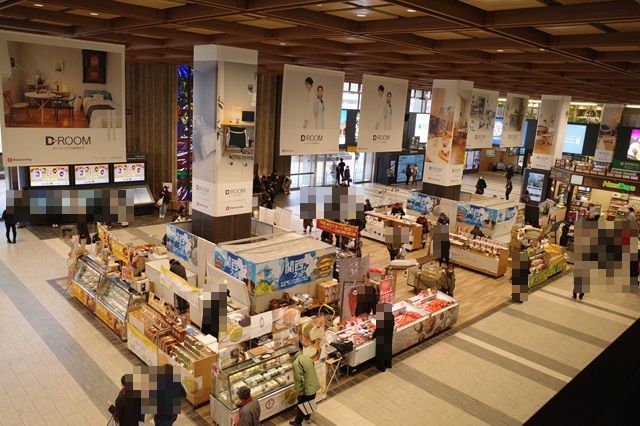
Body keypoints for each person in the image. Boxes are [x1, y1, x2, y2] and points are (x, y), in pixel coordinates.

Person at [289, 344, 320, 426]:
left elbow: (299, 379)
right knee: (310, 402)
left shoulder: (296, 363)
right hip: (314, 384)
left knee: (301, 405)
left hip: (307, 388)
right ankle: (307, 417)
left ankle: (298, 422)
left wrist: (299, 391)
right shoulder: (306, 357)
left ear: (291, 354)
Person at [373, 302, 394, 372]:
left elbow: (378, 328)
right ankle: (388, 364)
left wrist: (373, 336)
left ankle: (381, 367)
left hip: (382, 336)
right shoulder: (391, 315)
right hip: (389, 335)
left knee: (381, 352)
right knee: (388, 350)